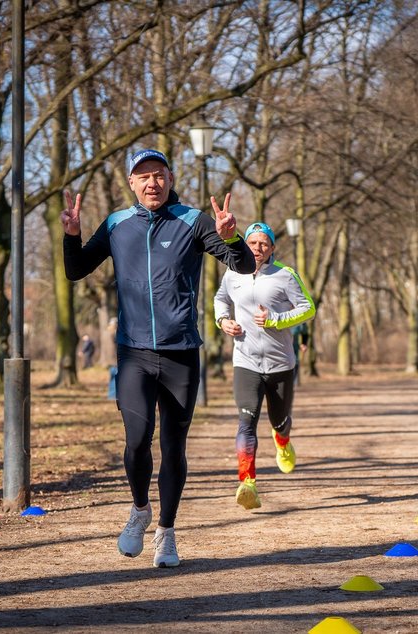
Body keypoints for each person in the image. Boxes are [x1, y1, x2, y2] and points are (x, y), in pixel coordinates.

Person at [61, 148, 255, 568]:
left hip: (181, 351)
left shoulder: (193, 220)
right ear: (131, 182)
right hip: (134, 353)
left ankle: (166, 532)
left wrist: (230, 237)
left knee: (173, 446)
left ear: (170, 179)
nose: (153, 183)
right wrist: (72, 235)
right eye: (144, 176)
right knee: (136, 442)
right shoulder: (117, 224)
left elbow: (242, 265)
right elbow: (76, 270)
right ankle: (139, 509)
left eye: (159, 175)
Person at [214, 222, 316, 511]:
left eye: (263, 244)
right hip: (245, 361)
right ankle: (247, 483)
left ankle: (282, 440)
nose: (257, 248)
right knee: (246, 421)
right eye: (252, 242)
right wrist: (223, 321)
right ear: (245, 244)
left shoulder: (285, 275)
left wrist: (276, 319)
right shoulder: (232, 272)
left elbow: (308, 308)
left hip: (280, 362)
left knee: (279, 420)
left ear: (272, 248)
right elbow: (220, 299)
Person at [291, 322, 310, 387]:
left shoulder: (299, 322)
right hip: (278, 356)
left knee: (291, 384)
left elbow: (305, 333)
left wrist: (303, 344)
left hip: (294, 355)